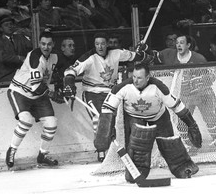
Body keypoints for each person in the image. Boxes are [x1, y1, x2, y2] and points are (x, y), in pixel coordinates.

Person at [94, 62, 202, 182]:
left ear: (147, 78)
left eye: (139, 78)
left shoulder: (158, 87)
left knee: (169, 142)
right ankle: (136, 172)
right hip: (134, 117)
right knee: (137, 145)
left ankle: (183, 167)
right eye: (134, 77)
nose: (135, 80)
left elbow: (176, 106)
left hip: (158, 116)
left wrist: (191, 124)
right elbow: (107, 107)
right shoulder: (123, 87)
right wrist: (104, 129)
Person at [62, 32, 154, 162]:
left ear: (107, 44)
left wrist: (144, 52)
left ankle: (118, 149)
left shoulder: (116, 53)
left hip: (110, 92)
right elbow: (70, 70)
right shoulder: (89, 57)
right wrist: (69, 84)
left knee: (118, 118)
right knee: (100, 117)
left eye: (103, 44)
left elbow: (135, 57)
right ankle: (101, 150)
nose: (100, 47)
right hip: (92, 92)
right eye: (97, 44)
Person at [154, 34, 216, 155]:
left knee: (210, 118)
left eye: (181, 42)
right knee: (182, 123)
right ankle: (189, 146)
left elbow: (211, 75)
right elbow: (153, 57)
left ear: (188, 45)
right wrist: (143, 51)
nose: (178, 45)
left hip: (202, 94)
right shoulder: (169, 54)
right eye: (177, 43)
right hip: (184, 95)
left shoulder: (199, 59)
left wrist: (200, 80)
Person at [5, 30, 65, 169]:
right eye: (43, 44)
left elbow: (62, 70)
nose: (46, 47)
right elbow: (36, 85)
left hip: (38, 95)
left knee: (51, 122)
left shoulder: (55, 57)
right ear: (39, 44)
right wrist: (53, 95)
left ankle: (42, 156)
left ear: (53, 44)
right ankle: (12, 150)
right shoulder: (35, 56)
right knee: (26, 120)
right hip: (20, 91)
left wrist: (62, 86)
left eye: (49, 44)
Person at [0, 15, 32, 82]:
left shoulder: (20, 37)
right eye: (6, 25)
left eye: (11, 24)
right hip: (6, 76)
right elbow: (1, 57)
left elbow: (31, 47)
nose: (10, 26)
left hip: (22, 75)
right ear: (1, 29)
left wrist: (29, 34)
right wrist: (19, 58)